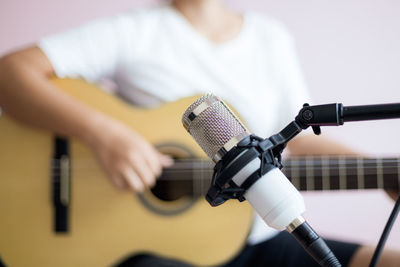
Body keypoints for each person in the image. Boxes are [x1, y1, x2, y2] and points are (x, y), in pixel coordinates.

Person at [0, 0, 398, 266]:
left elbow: (300, 136)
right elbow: (11, 72)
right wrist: (103, 134)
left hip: (261, 240)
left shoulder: (270, 39)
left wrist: (380, 173)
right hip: (163, 251)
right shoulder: (137, 31)